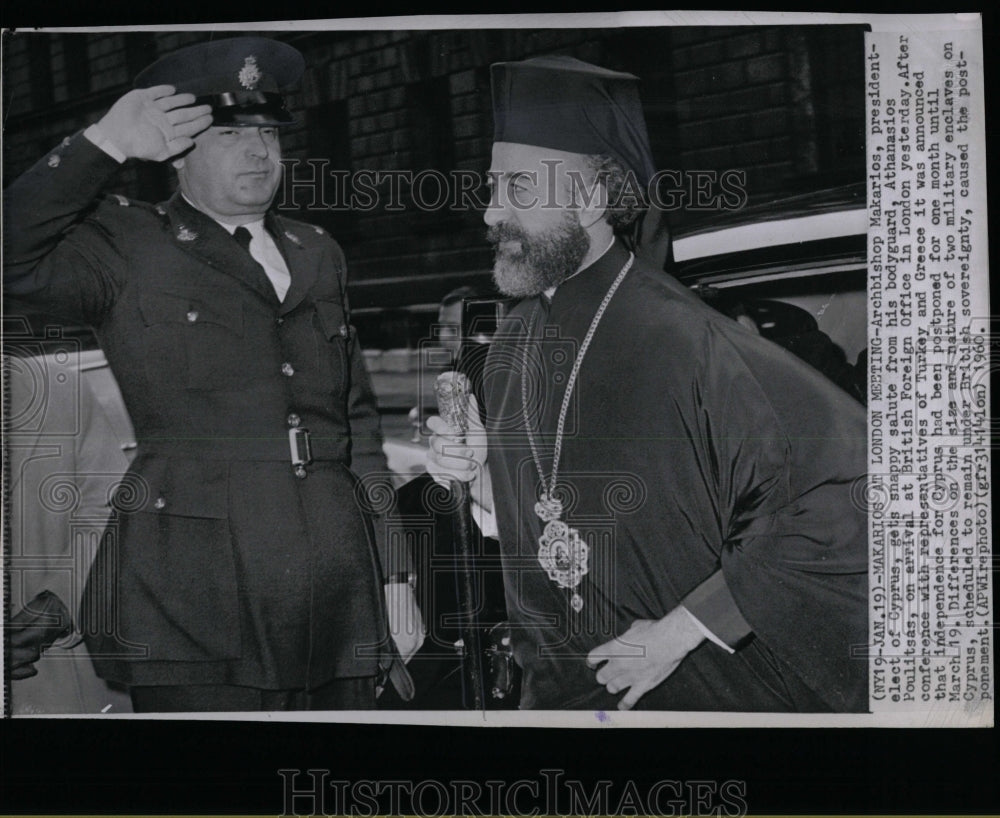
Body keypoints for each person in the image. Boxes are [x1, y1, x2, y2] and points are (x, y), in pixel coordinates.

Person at [427, 55, 868, 712]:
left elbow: (844, 490)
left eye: (518, 187)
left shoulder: (689, 339)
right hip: (560, 699)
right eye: (492, 186)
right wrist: (478, 476)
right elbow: (549, 524)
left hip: (693, 701)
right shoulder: (512, 344)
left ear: (593, 200)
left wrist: (685, 629)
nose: (490, 211)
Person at [4, 36, 422, 712]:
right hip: (194, 605)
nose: (260, 152)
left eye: (269, 135)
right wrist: (103, 143)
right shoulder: (126, 246)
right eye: (230, 134)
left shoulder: (318, 252)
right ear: (177, 153)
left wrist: (394, 578)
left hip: (334, 592)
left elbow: (357, 430)